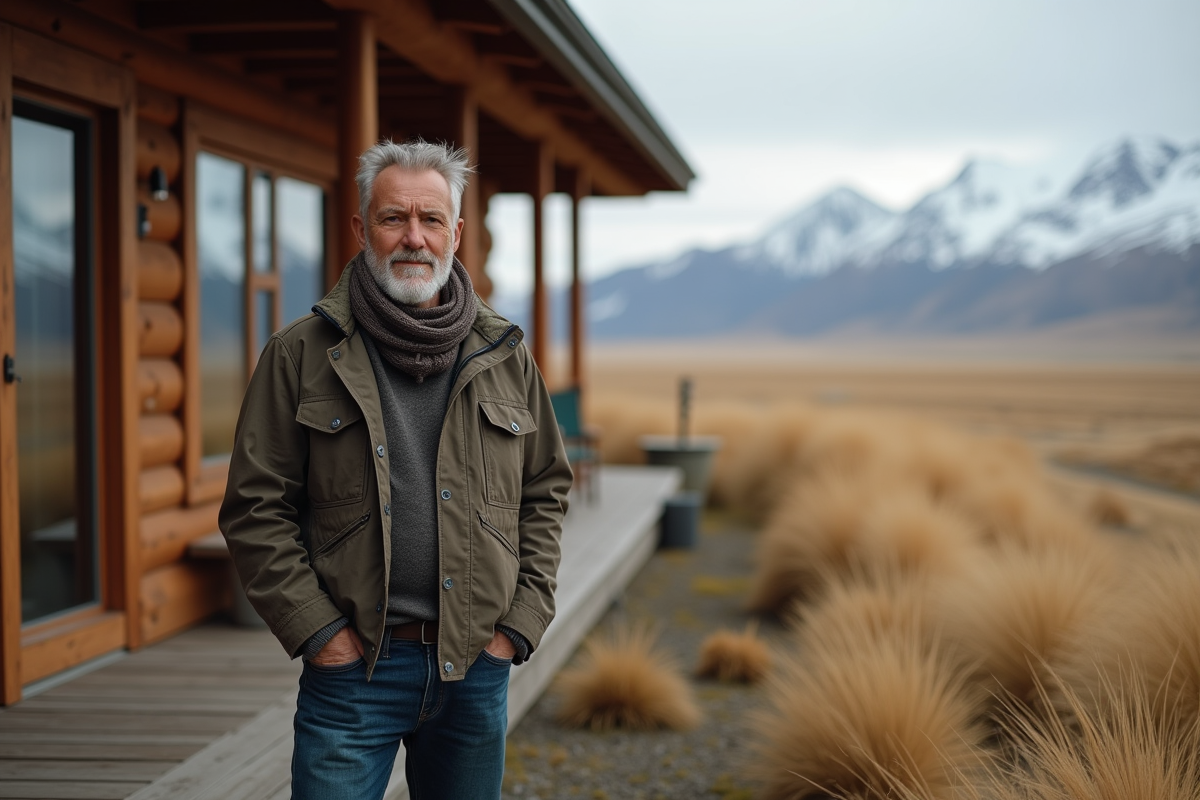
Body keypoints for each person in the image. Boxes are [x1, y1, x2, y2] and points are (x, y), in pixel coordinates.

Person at [218, 139, 572, 800]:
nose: (414, 237)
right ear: (361, 228)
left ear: (457, 233)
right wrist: (321, 635)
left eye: (431, 219)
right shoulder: (301, 354)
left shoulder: (505, 355)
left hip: (475, 667)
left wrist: (518, 626)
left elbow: (545, 491)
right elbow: (254, 507)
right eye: (393, 218)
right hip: (354, 674)